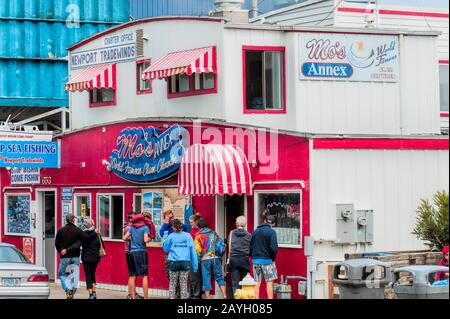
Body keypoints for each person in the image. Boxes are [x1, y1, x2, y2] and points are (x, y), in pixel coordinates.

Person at [55, 214, 98, 299]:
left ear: (66, 220)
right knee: (73, 277)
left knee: (62, 274)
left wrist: (60, 251)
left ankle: (68, 290)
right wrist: (95, 233)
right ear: (73, 220)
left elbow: (56, 243)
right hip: (75, 257)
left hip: (65, 258)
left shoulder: (61, 231)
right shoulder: (77, 230)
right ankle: (71, 293)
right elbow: (87, 238)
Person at [66, 218, 104, 299]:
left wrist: (67, 249)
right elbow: (103, 246)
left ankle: (91, 294)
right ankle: (94, 293)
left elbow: (77, 245)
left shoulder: (83, 235)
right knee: (93, 274)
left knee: (88, 276)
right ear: (92, 224)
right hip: (96, 258)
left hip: (86, 258)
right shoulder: (97, 234)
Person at [162, 219, 198, 299]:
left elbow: (165, 249)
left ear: (173, 227)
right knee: (184, 285)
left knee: (172, 284)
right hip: (185, 262)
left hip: (173, 262)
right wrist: (195, 267)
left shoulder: (171, 236)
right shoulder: (188, 236)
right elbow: (193, 251)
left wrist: (164, 238)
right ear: (181, 226)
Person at [194, 218, 227, 299]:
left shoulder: (198, 236)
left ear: (198, 226)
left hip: (205, 260)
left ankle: (208, 298)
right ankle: (225, 295)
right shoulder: (213, 233)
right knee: (219, 277)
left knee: (206, 279)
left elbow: (197, 250)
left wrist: (198, 260)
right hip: (216, 258)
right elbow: (221, 244)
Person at [123, 214, 151, 299]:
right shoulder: (145, 228)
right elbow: (146, 240)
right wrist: (149, 238)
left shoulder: (132, 228)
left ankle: (133, 297)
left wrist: (133, 239)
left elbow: (124, 238)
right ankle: (145, 298)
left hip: (132, 253)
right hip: (141, 252)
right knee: (144, 276)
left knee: (132, 276)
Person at [250, 215, 278, 299]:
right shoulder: (272, 232)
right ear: (272, 224)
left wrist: (253, 258)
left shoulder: (255, 231)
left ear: (265, 221)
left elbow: (251, 247)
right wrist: (273, 259)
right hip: (267, 262)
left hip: (256, 262)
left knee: (257, 283)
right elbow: (274, 248)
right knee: (269, 283)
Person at [228, 216, 252, 296]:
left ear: (236, 223)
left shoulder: (231, 233)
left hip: (233, 259)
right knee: (245, 282)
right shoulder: (249, 235)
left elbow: (229, 244)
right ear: (245, 224)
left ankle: (237, 297)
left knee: (235, 283)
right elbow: (251, 248)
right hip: (244, 260)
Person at [189, 213, 203, 299]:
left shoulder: (199, 231)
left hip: (197, 256)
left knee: (196, 277)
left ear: (196, 222)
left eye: (191, 222)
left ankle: (197, 295)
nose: (190, 224)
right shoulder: (192, 230)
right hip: (191, 256)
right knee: (192, 277)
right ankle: (192, 294)